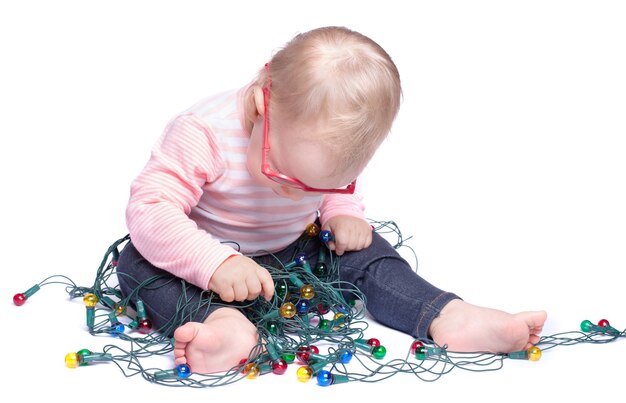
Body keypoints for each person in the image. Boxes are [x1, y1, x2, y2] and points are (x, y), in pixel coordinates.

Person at [116, 26, 547, 374]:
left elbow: (342, 191)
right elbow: (150, 209)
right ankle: (222, 323)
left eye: (319, 184)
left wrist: (341, 210)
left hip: (293, 254)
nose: (293, 192)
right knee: (137, 263)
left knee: (368, 252)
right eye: (283, 175)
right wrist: (214, 263)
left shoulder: (323, 149)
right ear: (259, 104)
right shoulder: (203, 132)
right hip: (206, 262)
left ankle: (445, 313)